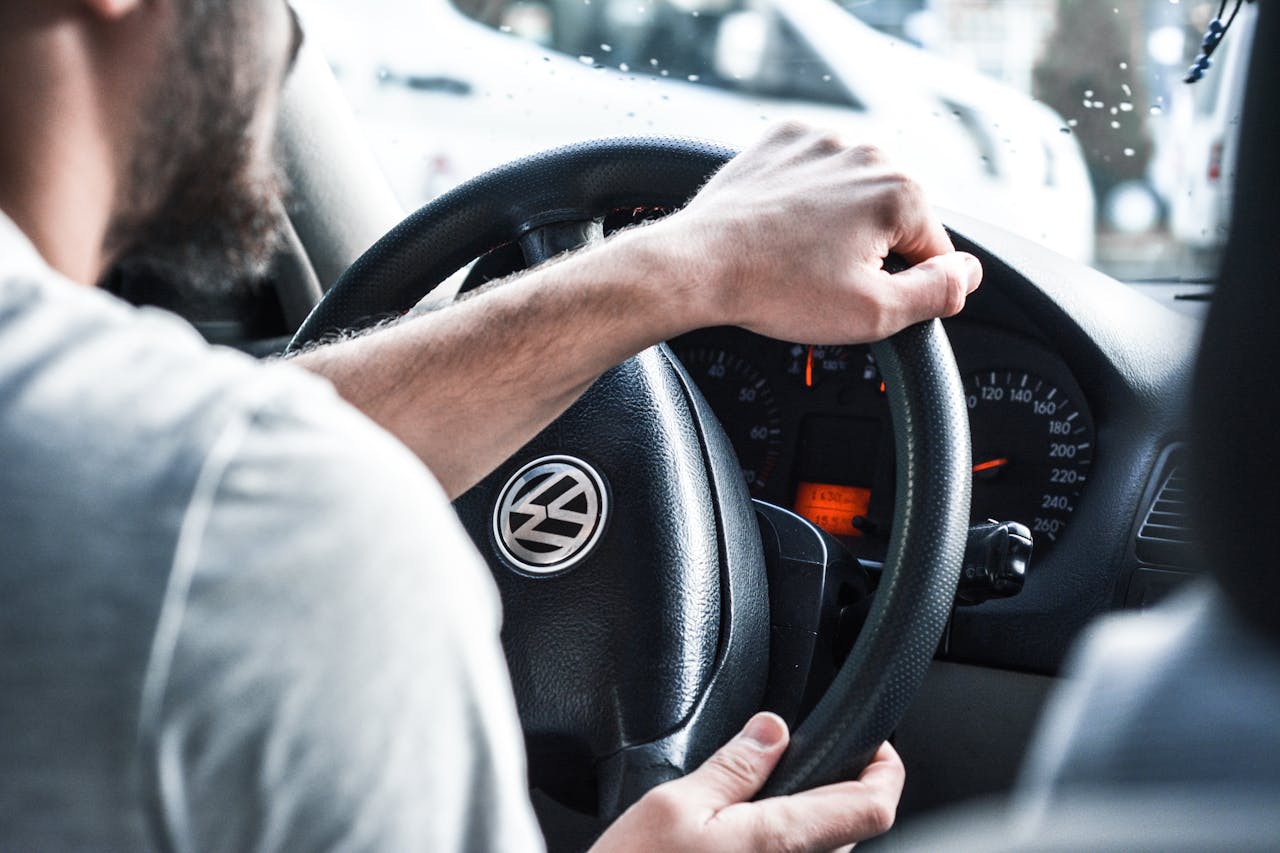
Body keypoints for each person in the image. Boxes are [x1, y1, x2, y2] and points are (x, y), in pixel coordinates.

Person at [0, 0, 981, 850]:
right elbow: (220, 500)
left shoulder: (210, 499)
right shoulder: (280, 535)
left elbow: (169, 473)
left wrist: (684, 268)